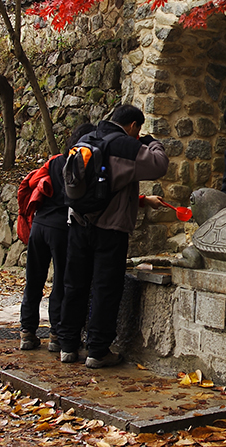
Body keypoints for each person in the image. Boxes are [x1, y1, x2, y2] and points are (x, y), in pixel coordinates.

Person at [58, 104, 168, 368]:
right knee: (105, 288)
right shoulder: (124, 145)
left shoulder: (87, 139)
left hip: (78, 222)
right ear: (132, 126)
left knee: (75, 285)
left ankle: (67, 345)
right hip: (110, 228)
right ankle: (98, 351)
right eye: (138, 129)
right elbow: (159, 165)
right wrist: (152, 143)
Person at [19, 122, 95, 352]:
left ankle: (27, 331)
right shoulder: (84, 163)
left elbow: (31, 183)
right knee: (61, 282)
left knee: (34, 279)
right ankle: (56, 334)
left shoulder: (54, 161)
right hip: (62, 229)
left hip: (39, 226)